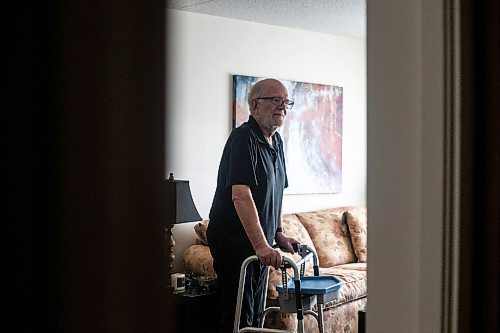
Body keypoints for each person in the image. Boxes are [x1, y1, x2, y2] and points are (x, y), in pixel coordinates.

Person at [207, 78, 300, 332]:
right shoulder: (242, 138)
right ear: (255, 105)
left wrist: (278, 232)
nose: (282, 106)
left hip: (260, 243)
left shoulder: (276, 142)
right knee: (238, 316)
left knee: (256, 315)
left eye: (286, 101)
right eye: (275, 100)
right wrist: (261, 244)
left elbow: (276, 193)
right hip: (234, 242)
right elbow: (240, 195)